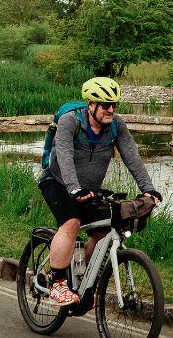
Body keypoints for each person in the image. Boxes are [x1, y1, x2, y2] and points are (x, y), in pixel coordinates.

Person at [39, 77, 161, 306]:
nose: (111, 110)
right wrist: (73, 188)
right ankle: (57, 284)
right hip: (57, 182)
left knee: (104, 233)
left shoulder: (116, 126)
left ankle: (80, 277)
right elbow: (64, 157)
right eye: (105, 105)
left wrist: (148, 189)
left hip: (89, 190)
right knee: (71, 222)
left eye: (114, 104)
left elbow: (132, 157)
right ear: (91, 104)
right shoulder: (70, 121)